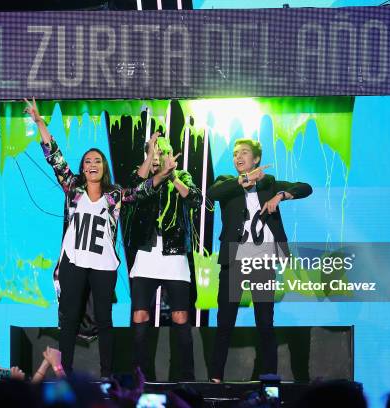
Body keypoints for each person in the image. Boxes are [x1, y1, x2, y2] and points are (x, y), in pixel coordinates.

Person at [23, 98, 176, 378]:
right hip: (74, 261)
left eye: (97, 161)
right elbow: (54, 156)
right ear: (82, 168)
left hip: (104, 265)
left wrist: (163, 175)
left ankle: (107, 375)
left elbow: (140, 191)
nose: (92, 164)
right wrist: (39, 122)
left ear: (104, 167)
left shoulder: (114, 194)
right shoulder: (72, 187)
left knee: (105, 321)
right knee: (69, 320)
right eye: (87, 161)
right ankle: (64, 373)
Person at [206, 138, 312, 383]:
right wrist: (245, 181)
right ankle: (215, 378)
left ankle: (270, 379)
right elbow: (213, 194)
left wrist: (281, 196)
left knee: (265, 322)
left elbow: (305, 187)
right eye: (235, 154)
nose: (238, 157)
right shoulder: (227, 183)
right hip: (234, 261)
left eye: (244, 153)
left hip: (262, 261)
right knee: (225, 322)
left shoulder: (269, 183)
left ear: (256, 160)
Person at [126, 133, 202, 381]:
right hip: (146, 254)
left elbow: (196, 199)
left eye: (161, 152)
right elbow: (134, 193)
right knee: (140, 315)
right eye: (152, 152)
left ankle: (186, 378)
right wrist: (151, 161)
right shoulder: (143, 175)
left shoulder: (183, 177)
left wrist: (174, 176)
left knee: (181, 316)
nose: (157, 156)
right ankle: (140, 376)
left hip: (175, 254)